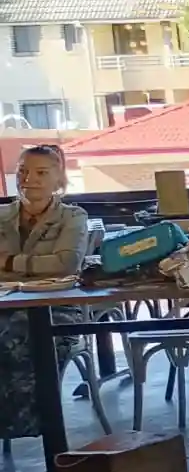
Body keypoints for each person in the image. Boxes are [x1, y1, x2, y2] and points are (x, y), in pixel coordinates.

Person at [0, 145, 90, 440]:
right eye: (23, 171)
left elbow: (66, 264)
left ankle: (32, 427)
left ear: (59, 180)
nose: (29, 179)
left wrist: (9, 262)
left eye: (41, 173)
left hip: (58, 308)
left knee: (20, 340)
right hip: (6, 305)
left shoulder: (72, 217)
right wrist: (36, 266)